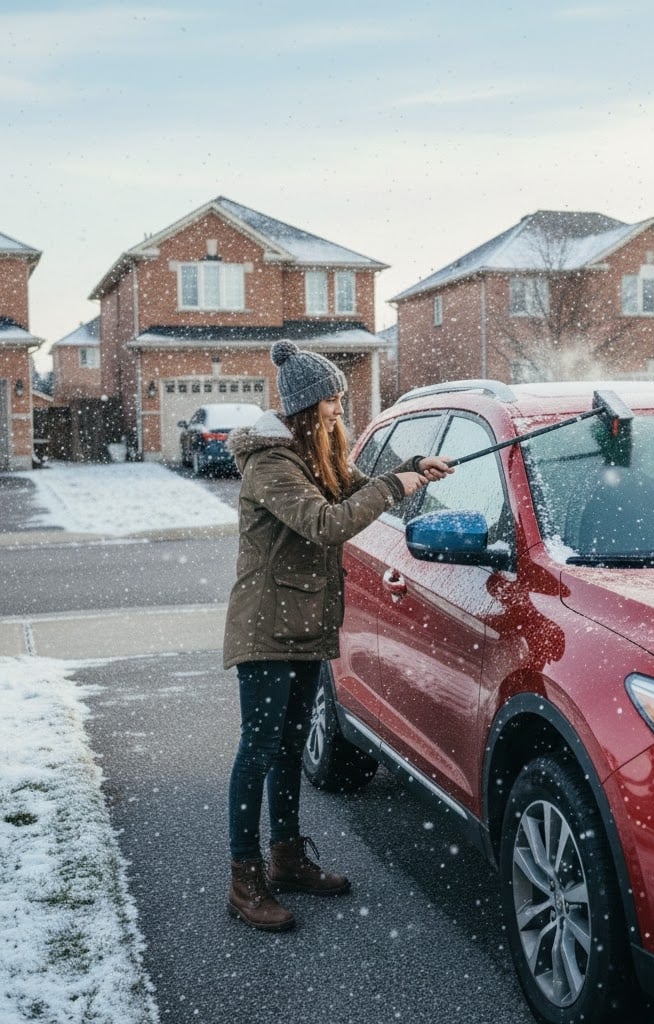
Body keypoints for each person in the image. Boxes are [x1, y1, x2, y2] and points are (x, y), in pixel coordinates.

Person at [222, 339, 452, 932]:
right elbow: (326, 523)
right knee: (259, 749)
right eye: (332, 400)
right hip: (267, 628)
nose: (340, 409)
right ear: (306, 405)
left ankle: (287, 857)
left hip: (304, 623)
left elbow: (354, 488)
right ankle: (244, 878)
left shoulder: (313, 455)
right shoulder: (272, 464)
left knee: (290, 746)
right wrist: (394, 488)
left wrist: (411, 470)